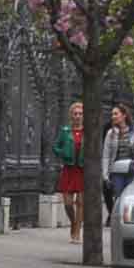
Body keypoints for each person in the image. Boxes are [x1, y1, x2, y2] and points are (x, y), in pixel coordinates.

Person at [102, 103, 134, 210]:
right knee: (118, 198)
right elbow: (106, 155)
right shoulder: (111, 133)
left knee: (131, 199)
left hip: (133, 169)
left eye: (116, 114)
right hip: (117, 171)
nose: (113, 116)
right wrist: (105, 175)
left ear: (124, 115)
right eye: (112, 114)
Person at [53, 102, 86, 243]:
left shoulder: (88, 131)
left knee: (80, 202)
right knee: (67, 203)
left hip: (82, 169)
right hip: (68, 169)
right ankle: (73, 222)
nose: (78, 116)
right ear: (71, 115)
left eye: (80, 114)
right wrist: (63, 153)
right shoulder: (65, 131)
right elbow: (55, 147)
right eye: (75, 113)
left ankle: (77, 231)